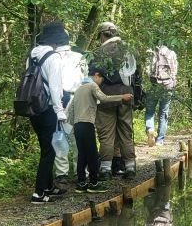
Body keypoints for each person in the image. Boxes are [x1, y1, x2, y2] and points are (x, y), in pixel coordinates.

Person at [66, 66, 133, 193]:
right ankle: (94, 183)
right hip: (87, 124)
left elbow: (71, 110)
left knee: (82, 155)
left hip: (77, 125)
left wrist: (69, 126)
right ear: (96, 75)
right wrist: (122, 97)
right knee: (92, 155)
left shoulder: (79, 89)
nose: (101, 82)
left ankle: (81, 183)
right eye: (101, 79)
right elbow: (104, 98)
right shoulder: (92, 86)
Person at [90, 22, 142, 179]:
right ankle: (130, 167)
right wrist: (138, 98)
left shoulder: (98, 52)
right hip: (127, 96)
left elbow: (93, 78)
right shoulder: (130, 49)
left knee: (106, 134)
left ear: (102, 35)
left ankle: (105, 169)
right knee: (126, 132)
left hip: (105, 98)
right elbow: (137, 78)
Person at [27, 21, 71, 203]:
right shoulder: (53, 58)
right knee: (49, 150)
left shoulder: (32, 55)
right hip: (47, 109)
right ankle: (39, 193)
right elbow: (54, 87)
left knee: (45, 146)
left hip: (32, 106)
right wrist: (59, 110)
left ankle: (48, 186)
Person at [54, 45, 87, 185]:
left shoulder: (77, 57)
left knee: (61, 137)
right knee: (71, 137)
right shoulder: (78, 57)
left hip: (70, 98)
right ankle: (80, 172)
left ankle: (65, 172)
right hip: (65, 98)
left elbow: (86, 79)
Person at [144, 42, 178, 146]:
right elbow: (174, 71)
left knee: (150, 111)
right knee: (163, 113)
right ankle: (160, 140)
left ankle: (150, 129)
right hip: (167, 86)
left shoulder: (150, 53)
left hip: (154, 85)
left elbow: (147, 70)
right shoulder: (171, 53)